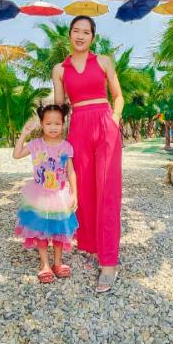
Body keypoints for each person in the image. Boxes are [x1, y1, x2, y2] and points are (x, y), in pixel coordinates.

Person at [52, 15, 124, 293]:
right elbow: (60, 106)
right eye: (76, 31)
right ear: (69, 34)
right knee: (83, 192)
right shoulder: (60, 69)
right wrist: (48, 132)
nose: (80, 36)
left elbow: (118, 96)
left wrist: (114, 121)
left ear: (93, 37)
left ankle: (109, 262)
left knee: (107, 192)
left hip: (105, 125)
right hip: (78, 128)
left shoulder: (104, 61)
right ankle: (92, 246)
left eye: (86, 32)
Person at [13, 104, 78, 284]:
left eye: (57, 123)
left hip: (60, 195)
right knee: (40, 230)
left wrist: (75, 193)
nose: (53, 127)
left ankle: (58, 262)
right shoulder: (35, 144)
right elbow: (16, 155)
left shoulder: (66, 147)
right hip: (39, 195)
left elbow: (71, 171)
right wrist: (24, 134)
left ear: (63, 124)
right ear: (41, 124)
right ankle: (44, 264)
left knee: (58, 229)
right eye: (48, 123)